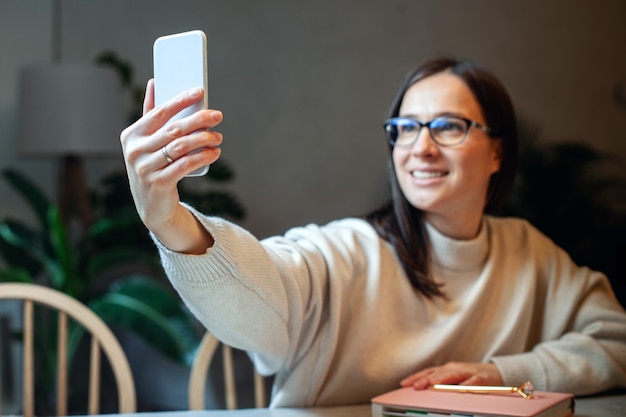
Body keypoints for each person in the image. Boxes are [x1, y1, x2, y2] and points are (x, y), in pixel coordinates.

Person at [120, 57, 626, 407]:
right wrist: (169, 219)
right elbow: (262, 299)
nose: (420, 148)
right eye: (404, 128)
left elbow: (617, 343)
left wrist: (504, 374)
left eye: (448, 126)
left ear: (497, 151)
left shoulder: (528, 252)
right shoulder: (348, 251)